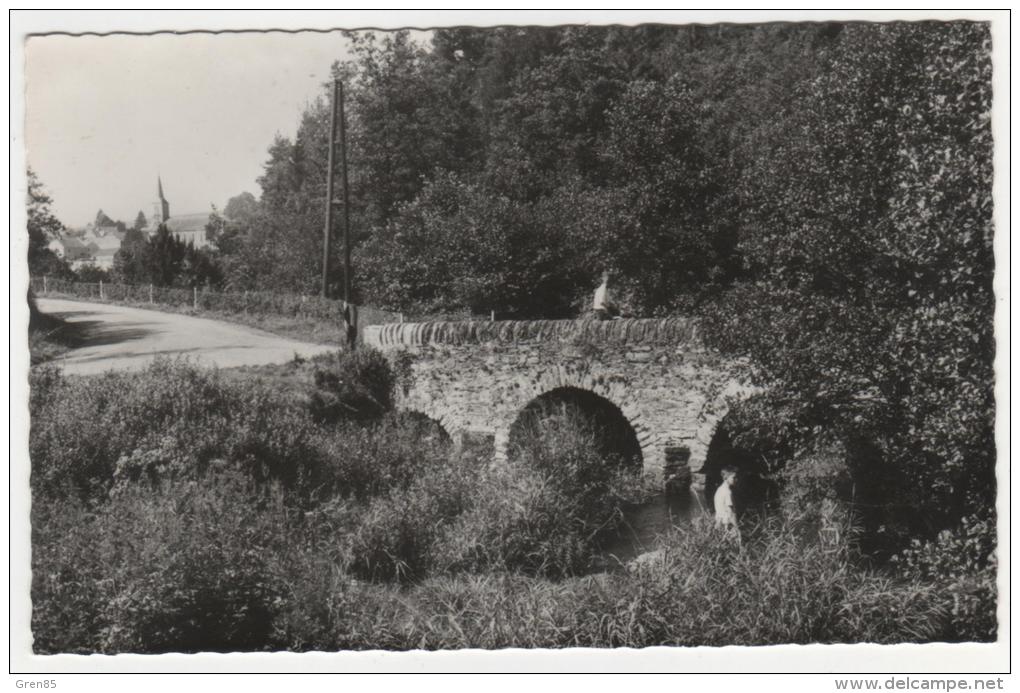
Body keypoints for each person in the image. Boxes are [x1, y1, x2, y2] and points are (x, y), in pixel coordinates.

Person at [713, 466, 740, 540]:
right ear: (725, 478)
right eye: (733, 477)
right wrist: (737, 528)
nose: (736, 480)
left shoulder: (719, 489)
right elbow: (730, 512)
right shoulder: (728, 492)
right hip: (728, 526)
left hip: (719, 523)